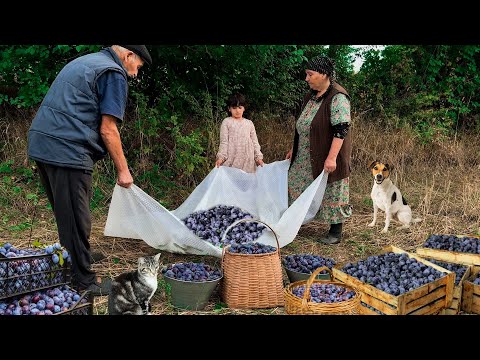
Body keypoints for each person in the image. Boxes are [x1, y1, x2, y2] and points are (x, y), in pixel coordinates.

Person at [27, 45, 152, 296]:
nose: (135, 74)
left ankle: (77, 256)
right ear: (128, 56)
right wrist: (123, 170)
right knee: (76, 218)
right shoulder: (113, 73)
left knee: (68, 213)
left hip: (44, 142)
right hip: (66, 148)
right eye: (137, 67)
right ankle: (83, 281)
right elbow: (108, 129)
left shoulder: (88, 61)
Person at [286, 55, 352, 244]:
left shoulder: (338, 97)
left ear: (324, 75)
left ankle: (335, 231)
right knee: (296, 184)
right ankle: (296, 222)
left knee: (332, 187)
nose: (306, 78)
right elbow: (303, 126)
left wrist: (331, 158)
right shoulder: (310, 96)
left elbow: (341, 131)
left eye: (310, 74)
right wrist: (294, 148)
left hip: (328, 152)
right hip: (306, 153)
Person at [215, 93, 264, 173]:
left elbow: (255, 142)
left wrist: (258, 158)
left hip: (248, 162)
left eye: (240, 107)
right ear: (229, 109)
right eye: (234, 108)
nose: (237, 110)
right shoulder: (227, 122)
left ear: (244, 108)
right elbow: (224, 142)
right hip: (232, 160)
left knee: (247, 184)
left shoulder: (249, 123)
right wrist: (221, 158)